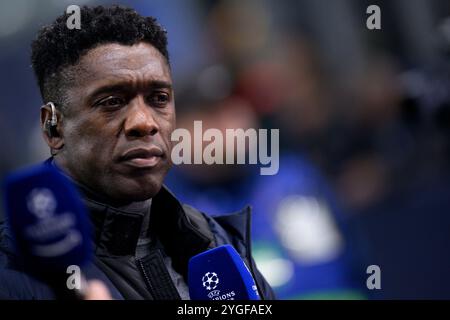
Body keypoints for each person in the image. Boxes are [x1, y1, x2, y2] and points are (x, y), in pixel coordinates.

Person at [0, 5, 274, 300]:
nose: (144, 122)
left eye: (159, 98)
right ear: (53, 128)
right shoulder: (11, 273)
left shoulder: (217, 243)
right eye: (112, 102)